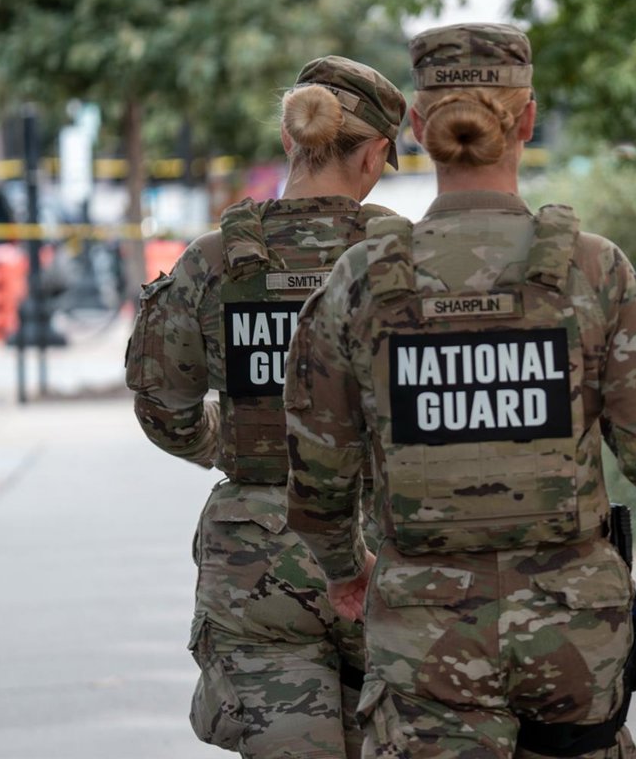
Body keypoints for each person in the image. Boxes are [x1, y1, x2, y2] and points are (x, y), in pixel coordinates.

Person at [284, 22, 636, 758]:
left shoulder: (360, 281)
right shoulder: (595, 271)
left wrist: (350, 574)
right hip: (573, 633)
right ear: (527, 120)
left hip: (424, 633)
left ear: (417, 128)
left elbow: (318, 486)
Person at [125, 55, 405, 758]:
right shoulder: (404, 258)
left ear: (290, 139)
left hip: (256, 560)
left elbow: (163, 410)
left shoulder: (213, 260)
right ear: (374, 154)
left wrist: (231, 442)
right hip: (387, 552)